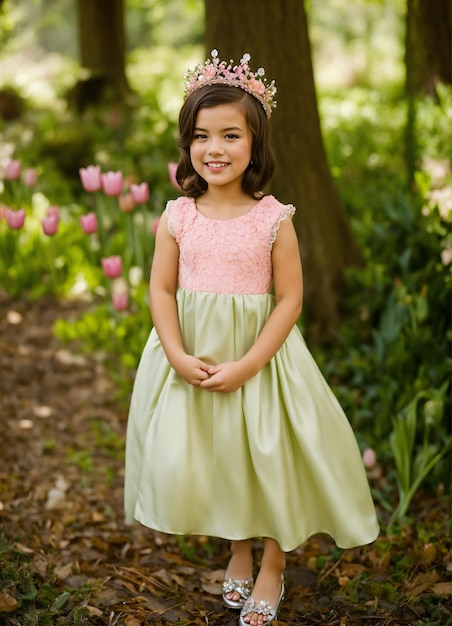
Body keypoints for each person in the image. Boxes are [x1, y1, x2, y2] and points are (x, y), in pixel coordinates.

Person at [124, 50, 379, 626]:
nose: (214, 149)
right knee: (221, 459)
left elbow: (290, 298)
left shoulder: (273, 219)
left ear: (255, 144)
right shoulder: (178, 216)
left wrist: (247, 366)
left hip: (260, 359)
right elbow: (161, 291)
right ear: (186, 144)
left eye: (231, 135)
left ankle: (272, 561)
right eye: (200, 136)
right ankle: (237, 547)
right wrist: (176, 354)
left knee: (267, 455)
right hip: (193, 356)